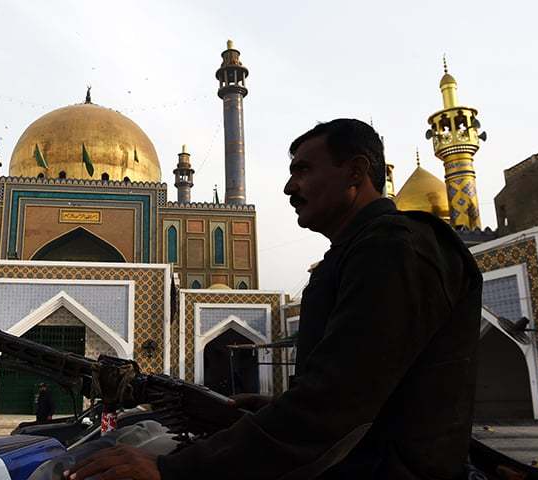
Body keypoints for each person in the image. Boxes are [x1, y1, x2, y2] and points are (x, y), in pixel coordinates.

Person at [66, 119, 482, 479]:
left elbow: (334, 407)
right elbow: (367, 393)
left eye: (302, 170)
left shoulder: (395, 249)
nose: (289, 186)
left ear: (355, 172)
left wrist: (175, 472)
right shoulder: (358, 253)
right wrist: (263, 408)